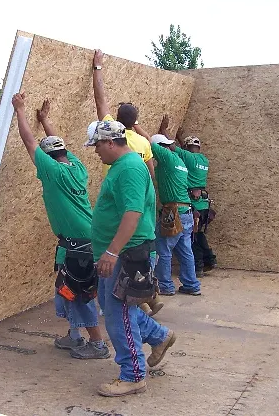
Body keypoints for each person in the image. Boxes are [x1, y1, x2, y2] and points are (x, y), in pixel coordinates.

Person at [11, 92, 110, 360]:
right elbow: (53, 145)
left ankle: (98, 345)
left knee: (79, 295)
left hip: (79, 247)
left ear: (47, 160)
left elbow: (30, 144)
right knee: (66, 290)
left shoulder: (52, 173)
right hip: (79, 243)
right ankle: (75, 336)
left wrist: (20, 109)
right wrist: (45, 120)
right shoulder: (77, 167)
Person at [85, 119, 176, 397]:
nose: (95, 151)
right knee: (119, 310)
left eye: (97, 145)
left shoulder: (129, 169)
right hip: (116, 253)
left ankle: (133, 375)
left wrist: (112, 252)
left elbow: (133, 213)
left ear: (110, 142)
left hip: (125, 254)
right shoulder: (122, 167)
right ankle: (160, 336)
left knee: (116, 315)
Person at [90, 49, 163, 318]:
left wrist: (98, 68)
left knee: (120, 305)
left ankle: (143, 305)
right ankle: (146, 301)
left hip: (124, 233)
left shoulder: (114, 137)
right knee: (126, 294)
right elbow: (151, 175)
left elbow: (101, 103)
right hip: (139, 219)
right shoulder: (142, 144)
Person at [136, 116, 201, 296]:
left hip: (174, 212)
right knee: (185, 250)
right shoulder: (179, 161)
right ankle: (191, 284)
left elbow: (148, 142)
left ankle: (165, 286)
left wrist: (134, 124)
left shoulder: (166, 158)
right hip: (186, 211)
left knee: (163, 249)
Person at [174, 127, 217, 277]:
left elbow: (173, 148)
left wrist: (165, 130)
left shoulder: (188, 158)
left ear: (186, 148)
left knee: (193, 238)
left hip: (194, 205)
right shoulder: (204, 160)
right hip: (204, 204)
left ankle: (198, 267)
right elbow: (187, 153)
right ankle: (209, 260)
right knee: (199, 235)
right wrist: (181, 138)